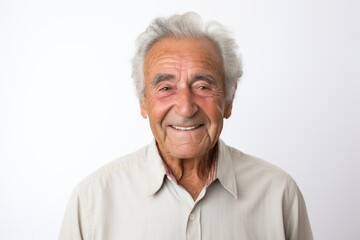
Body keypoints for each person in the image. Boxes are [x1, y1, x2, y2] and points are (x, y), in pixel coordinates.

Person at [59, 12, 313, 240]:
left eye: (203, 86)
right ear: (143, 103)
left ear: (228, 101)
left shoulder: (279, 194)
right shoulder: (92, 201)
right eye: (166, 88)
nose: (185, 107)